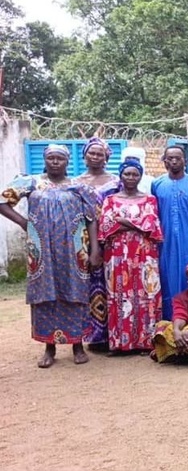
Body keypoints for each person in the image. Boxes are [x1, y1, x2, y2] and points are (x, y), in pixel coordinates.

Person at [0, 144, 101, 368]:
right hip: (42, 250)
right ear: (45, 160)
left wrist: (95, 250)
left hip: (74, 251)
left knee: (75, 293)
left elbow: (92, 219)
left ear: (67, 162)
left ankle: (77, 346)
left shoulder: (79, 187)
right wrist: (24, 223)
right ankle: (49, 348)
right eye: (51, 158)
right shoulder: (31, 182)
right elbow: (2, 202)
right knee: (45, 295)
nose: (55, 162)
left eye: (60, 158)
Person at [99, 160, 164, 354]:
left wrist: (124, 222)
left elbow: (152, 226)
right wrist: (137, 224)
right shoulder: (110, 200)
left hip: (144, 253)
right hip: (117, 254)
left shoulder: (149, 199)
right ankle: (120, 342)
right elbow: (106, 226)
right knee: (118, 293)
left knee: (146, 292)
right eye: (127, 174)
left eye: (135, 174)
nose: (131, 178)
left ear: (140, 176)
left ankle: (146, 341)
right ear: (120, 176)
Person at [152, 144, 188, 320]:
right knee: (166, 276)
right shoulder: (157, 184)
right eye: (170, 158)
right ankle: (168, 320)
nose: (174, 161)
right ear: (165, 161)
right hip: (165, 239)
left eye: (178, 158)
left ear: (185, 160)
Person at [76, 137, 118, 348]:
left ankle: (115, 332)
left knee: (114, 284)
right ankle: (94, 334)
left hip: (112, 239)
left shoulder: (117, 182)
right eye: (91, 153)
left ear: (106, 157)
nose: (95, 156)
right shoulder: (75, 183)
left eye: (99, 154)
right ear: (84, 156)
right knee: (89, 285)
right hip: (83, 240)